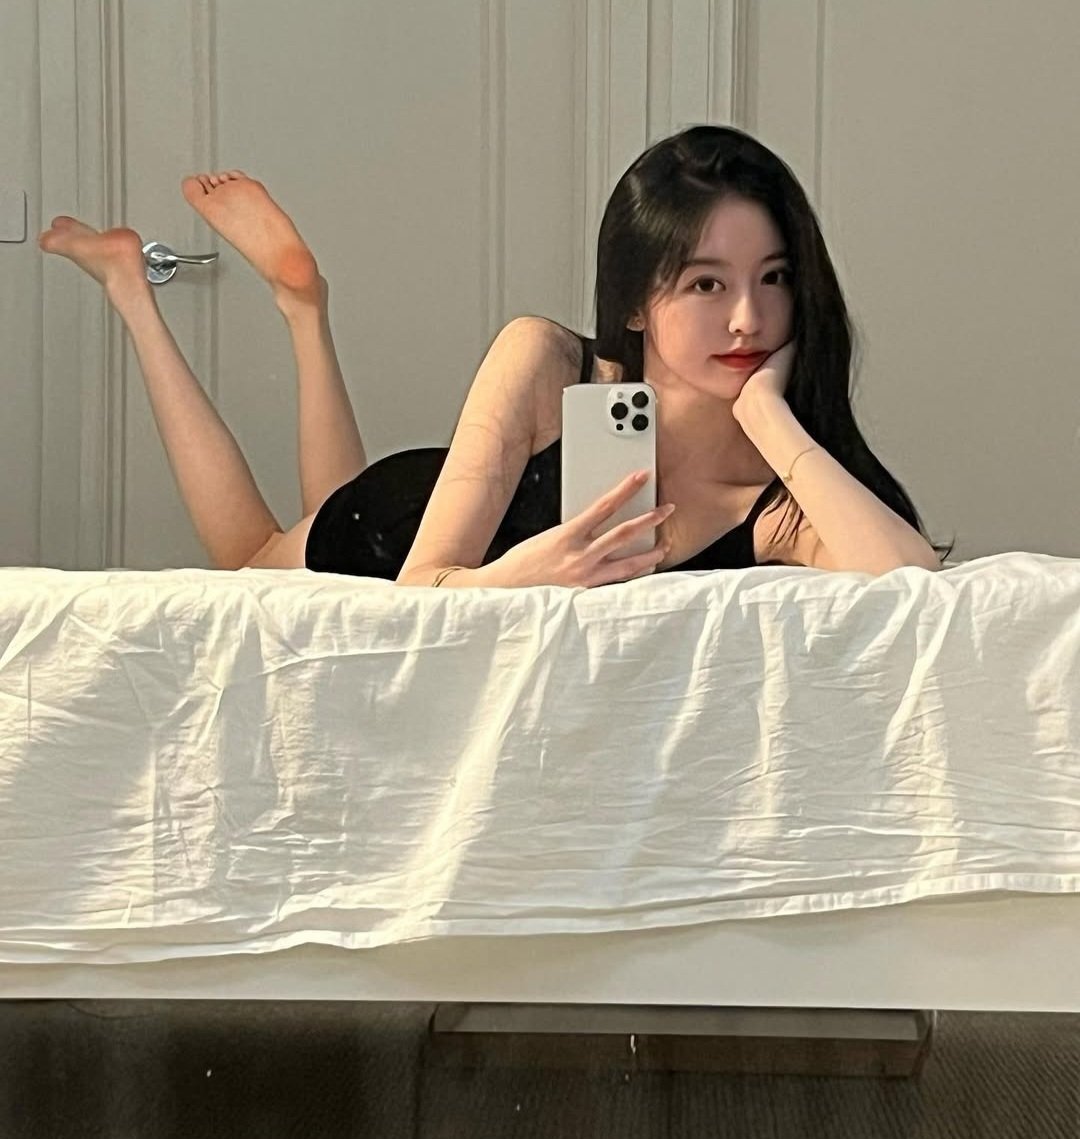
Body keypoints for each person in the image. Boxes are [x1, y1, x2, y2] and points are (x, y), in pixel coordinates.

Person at [40, 126, 952, 585]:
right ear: (637, 301)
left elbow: (911, 581)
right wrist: (524, 580)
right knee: (248, 561)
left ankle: (303, 306)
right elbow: (423, 587)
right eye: (707, 284)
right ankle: (134, 290)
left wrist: (772, 419)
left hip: (444, 529)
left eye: (776, 278)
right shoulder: (549, 363)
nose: (750, 320)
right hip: (394, 530)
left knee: (308, 500)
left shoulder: (776, 505)